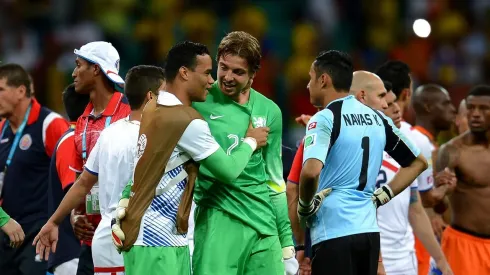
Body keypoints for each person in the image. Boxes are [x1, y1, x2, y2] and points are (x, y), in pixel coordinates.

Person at [111, 41, 269, 275]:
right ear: (184, 72)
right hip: (157, 241)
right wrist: (251, 141)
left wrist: (127, 199)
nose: (211, 80)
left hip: (159, 237)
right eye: (206, 73)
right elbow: (228, 170)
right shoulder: (187, 121)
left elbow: (146, 162)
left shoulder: (153, 106)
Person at [296, 50, 428, 275]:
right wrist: (383, 195)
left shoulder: (325, 117)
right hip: (369, 233)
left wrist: (305, 206)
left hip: (333, 232)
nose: (308, 85)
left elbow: (310, 172)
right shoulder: (378, 119)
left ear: (323, 79)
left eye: (311, 78)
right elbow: (418, 163)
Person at [33, 65, 165, 275]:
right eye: (165, 95)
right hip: (146, 237)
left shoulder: (108, 134)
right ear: (151, 97)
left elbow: (83, 183)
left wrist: (53, 222)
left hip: (106, 239)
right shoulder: (159, 137)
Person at [191, 31, 296, 275]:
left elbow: (274, 182)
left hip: (264, 226)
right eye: (223, 67)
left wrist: (287, 241)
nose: (227, 77)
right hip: (218, 218)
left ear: (253, 74)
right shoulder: (198, 101)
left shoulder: (270, 111)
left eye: (238, 72)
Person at [376, 82, 452, 275]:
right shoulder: (360, 153)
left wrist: (441, 260)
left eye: (396, 102)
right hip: (374, 260)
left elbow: (416, 209)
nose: (396, 109)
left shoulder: (408, 151)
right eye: (388, 104)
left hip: (405, 260)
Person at [0, 63, 70, 275]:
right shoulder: (1, 128)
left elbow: (72, 179)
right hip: (6, 232)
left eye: (0, 90)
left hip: (38, 236)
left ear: (20, 91)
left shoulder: (50, 124)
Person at [69, 41, 130, 275]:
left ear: (96, 69)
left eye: (78, 65)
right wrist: (75, 215)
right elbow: (80, 179)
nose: (73, 73)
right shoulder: (83, 120)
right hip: (91, 238)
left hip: (124, 235)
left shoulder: (129, 112)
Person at [435, 85, 490, 274]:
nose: (475, 114)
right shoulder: (452, 152)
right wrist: (442, 193)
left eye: (483, 108)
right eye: (471, 108)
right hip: (465, 244)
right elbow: (437, 205)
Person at [410, 84, 456, 275]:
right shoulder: (418, 142)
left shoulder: (431, 144)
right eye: (445, 104)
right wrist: (447, 187)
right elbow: (426, 199)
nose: (451, 109)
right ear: (428, 107)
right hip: (416, 240)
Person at [47, 84, 90, 275]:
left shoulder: (80, 138)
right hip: (72, 253)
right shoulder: (70, 141)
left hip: (81, 251)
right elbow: (74, 191)